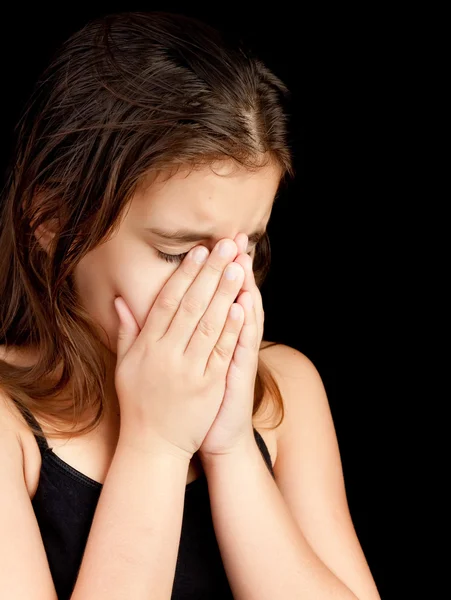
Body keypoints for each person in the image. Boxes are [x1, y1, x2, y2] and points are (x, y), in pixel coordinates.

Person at [0, 11, 380, 600]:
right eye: (179, 254)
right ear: (50, 221)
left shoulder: (286, 390)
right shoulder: (8, 429)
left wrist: (230, 451)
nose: (225, 289)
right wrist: (156, 444)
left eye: (246, 247)